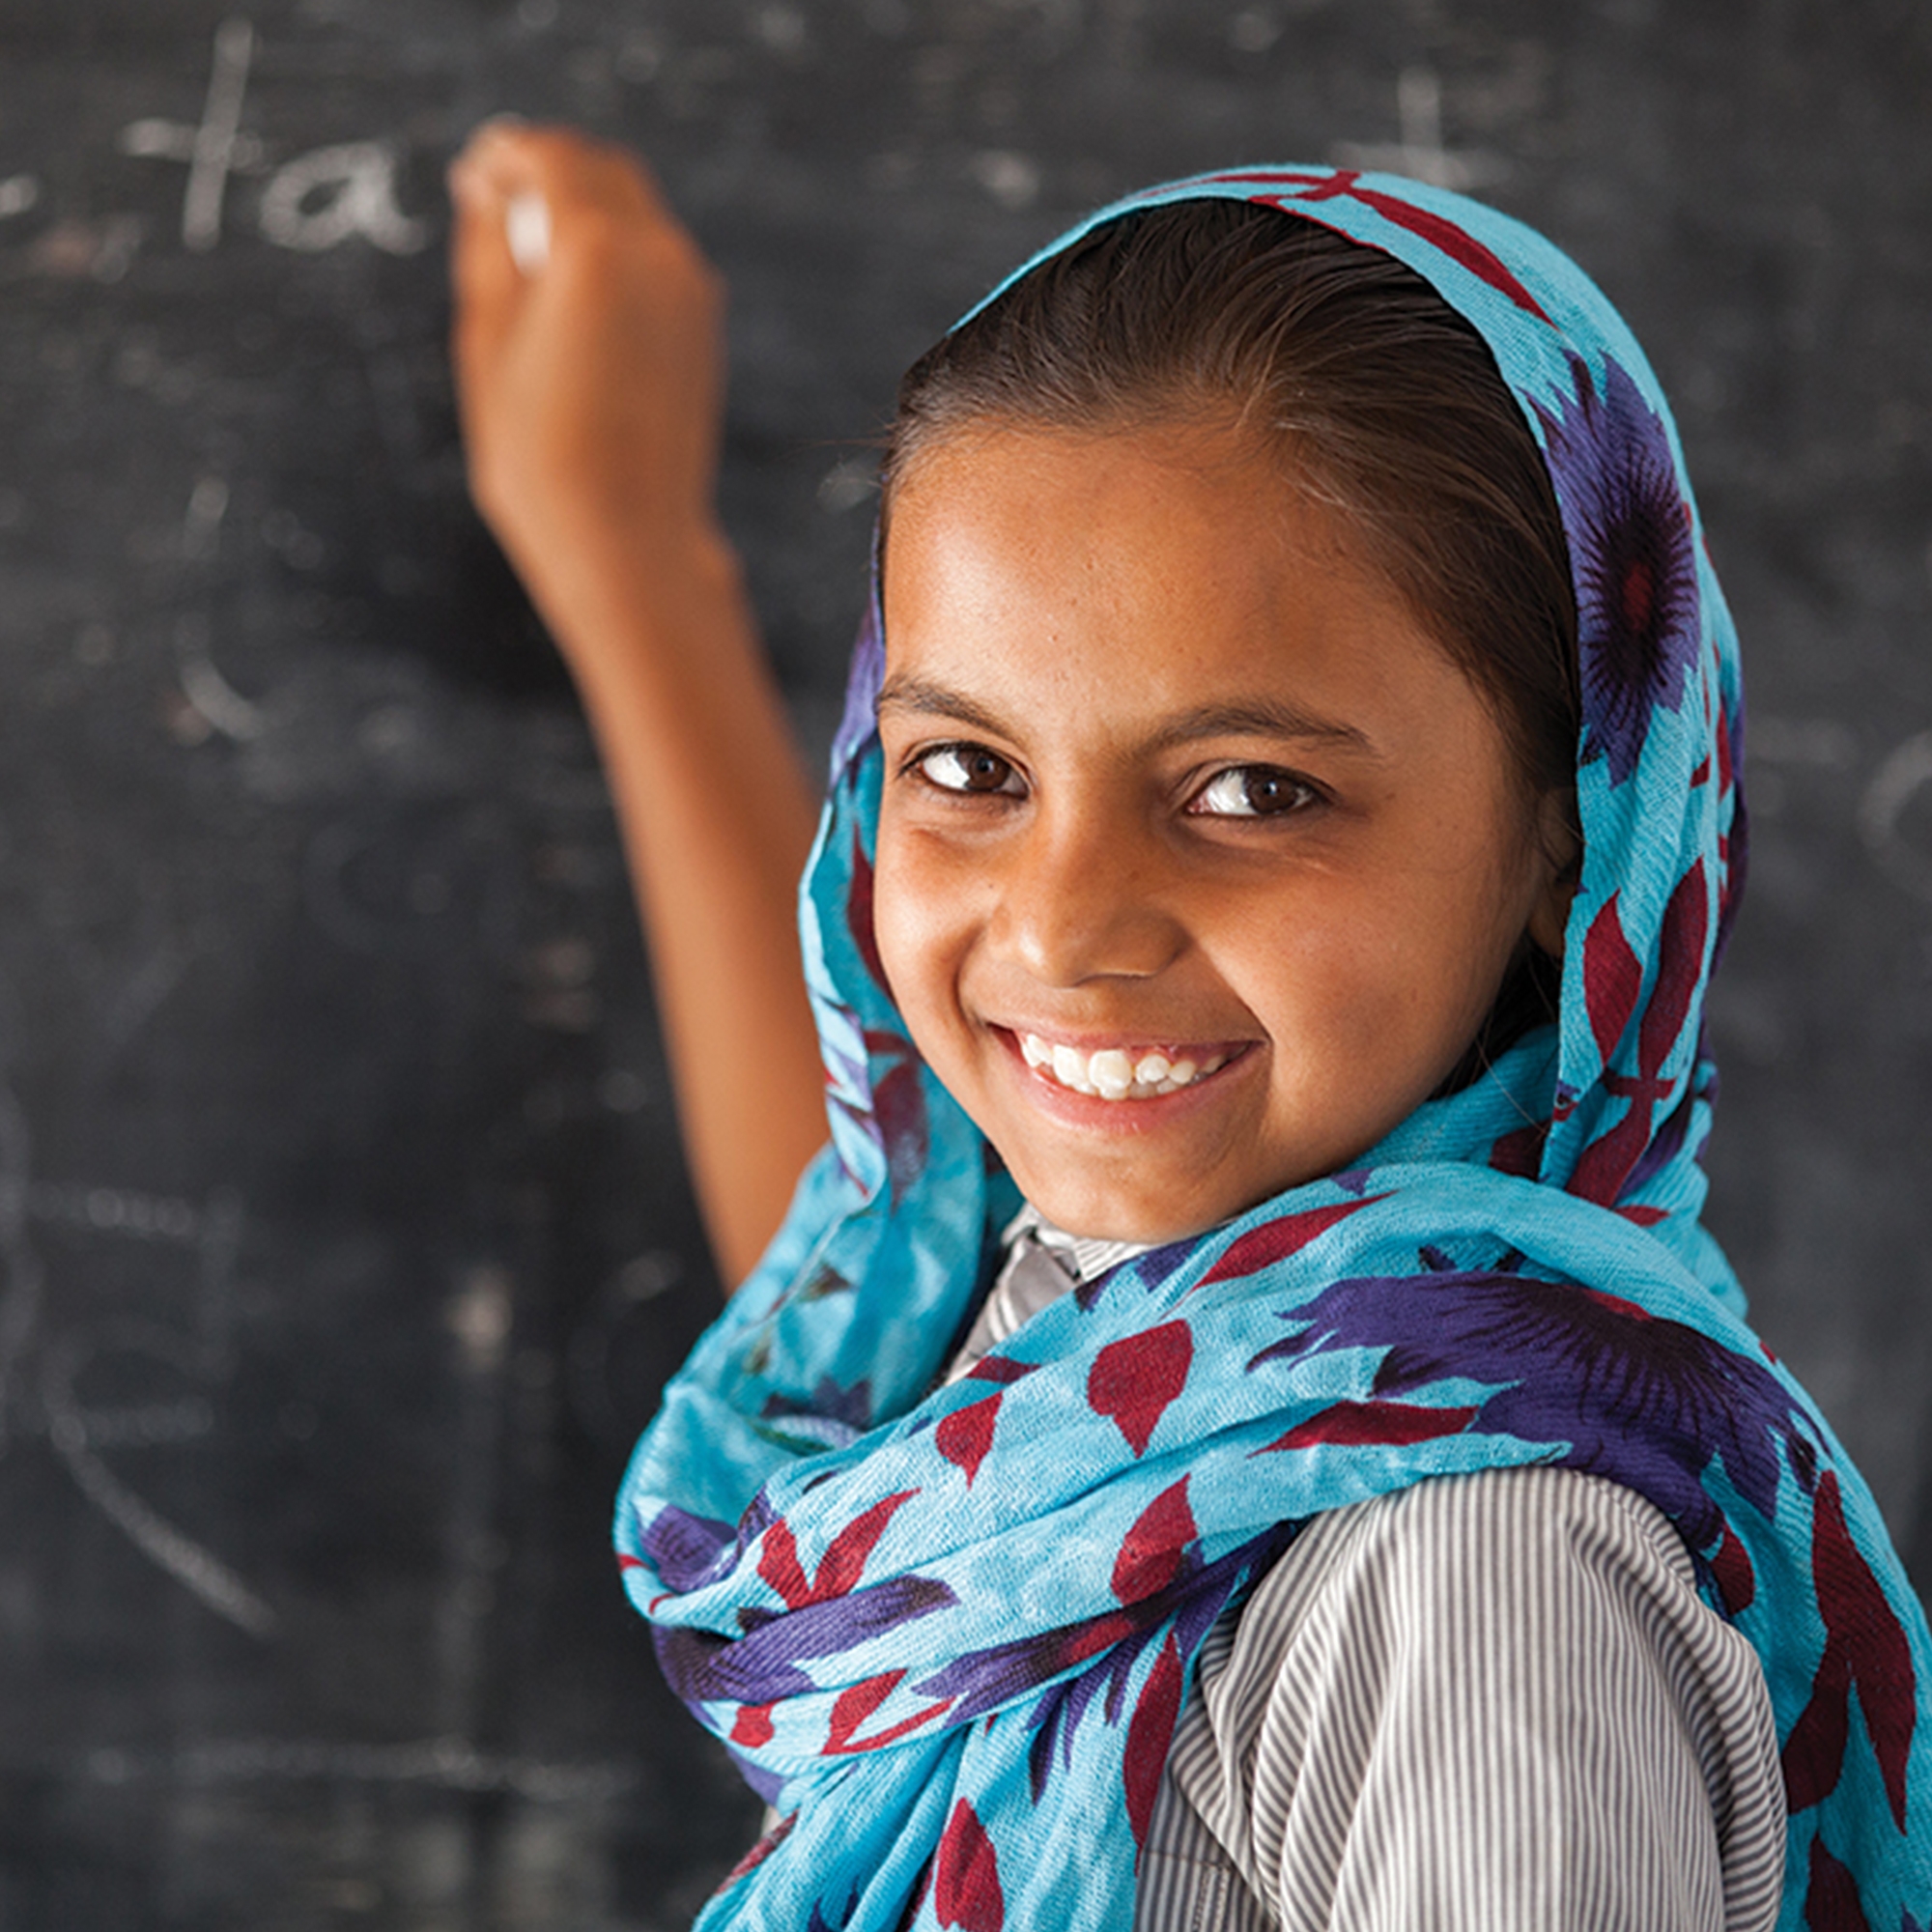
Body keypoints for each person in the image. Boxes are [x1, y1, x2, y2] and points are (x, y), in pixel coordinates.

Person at [446, 126, 1932, 1930]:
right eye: (968, 768)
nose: (1066, 928)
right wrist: (629, 568)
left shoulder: (1471, 1597)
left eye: (1250, 791)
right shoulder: (1115, 1380)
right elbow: (871, 1230)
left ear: (1580, 840)